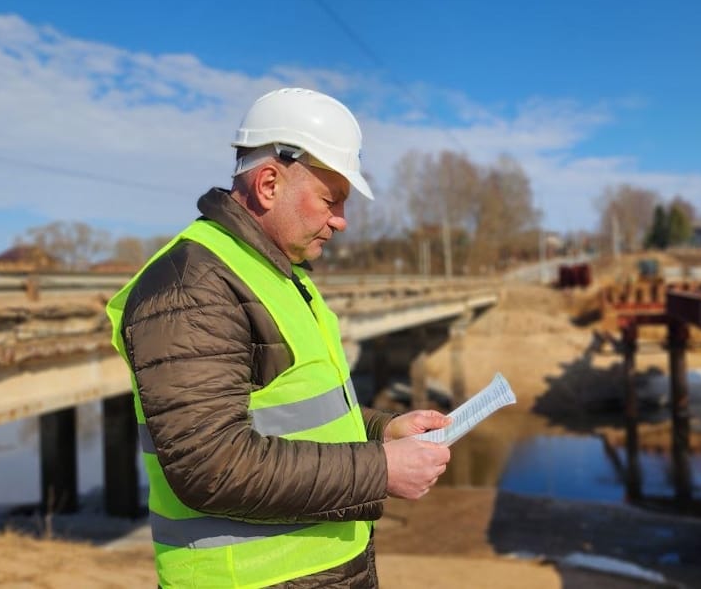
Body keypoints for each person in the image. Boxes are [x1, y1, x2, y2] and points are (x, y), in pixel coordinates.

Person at [106, 87, 452, 588]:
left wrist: (381, 432)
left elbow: (294, 409)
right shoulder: (192, 286)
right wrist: (379, 469)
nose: (341, 220)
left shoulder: (282, 274)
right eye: (330, 200)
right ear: (269, 183)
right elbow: (211, 465)